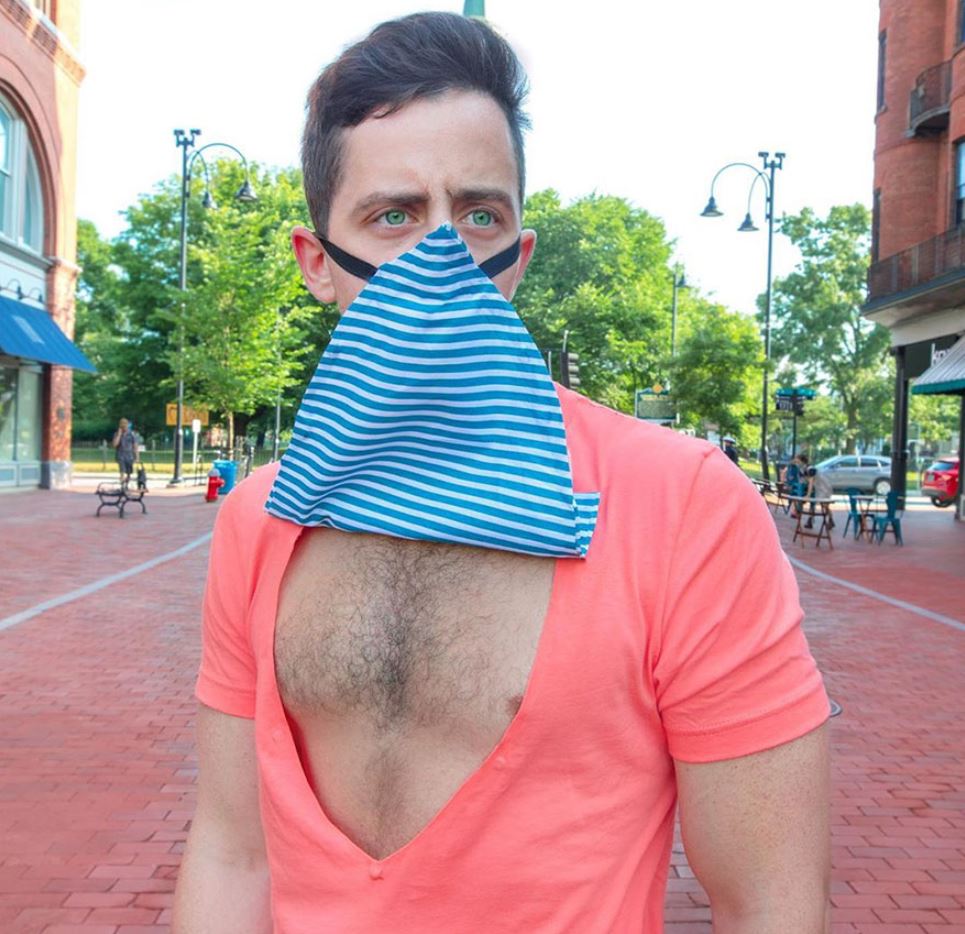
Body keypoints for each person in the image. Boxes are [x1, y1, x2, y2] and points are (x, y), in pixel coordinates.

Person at [172, 14, 830, 933]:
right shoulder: (262, 518)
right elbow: (231, 850)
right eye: (393, 216)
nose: (441, 256)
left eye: (479, 215)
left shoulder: (681, 506)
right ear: (317, 263)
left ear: (516, 260)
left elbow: (766, 903)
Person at [111, 417, 137, 484]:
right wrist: (119, 435)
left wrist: (137, 457)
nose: (124, 426)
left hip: (129, 455)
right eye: (122, 425)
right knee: (122, 470)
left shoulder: (131, 434)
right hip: (120, 455)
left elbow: (135, 446)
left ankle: (127, 482)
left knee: (129, 472)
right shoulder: (117, 434)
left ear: (127, 425)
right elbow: (115, 445)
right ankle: (122, 482)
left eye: (125, 425)